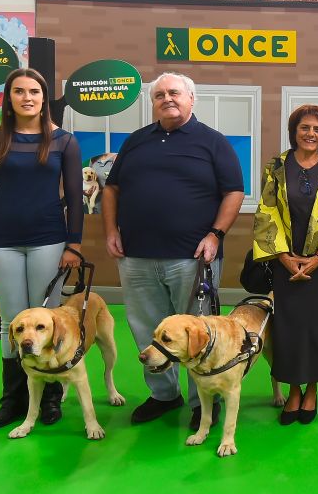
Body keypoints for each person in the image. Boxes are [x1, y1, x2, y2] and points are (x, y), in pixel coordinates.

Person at [102, 71, 245, 429]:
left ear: (191, 98)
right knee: (147, 328)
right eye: (160, 95)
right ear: (153, 103)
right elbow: (111, 189)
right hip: (135, 256)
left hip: (193, 259)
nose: (167, 99)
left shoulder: (213, 142)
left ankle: (203, 399)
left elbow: (234, 192)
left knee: (198, 333)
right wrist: (110, 230)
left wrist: (215, 234)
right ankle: (164, 395)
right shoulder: (136, 142)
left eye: (175, 93)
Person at [0, 68, 83, 430]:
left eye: (34, 91)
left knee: (46, 319)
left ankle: (50, 399)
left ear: (43, 97)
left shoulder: (63, 141)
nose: (27, 97)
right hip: (0, 242)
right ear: (9, 98)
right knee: (11, 323)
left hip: (49, 241)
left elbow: (77, 202)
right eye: (18, 91)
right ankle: (12, 401)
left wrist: (74, 245)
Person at [253, 105, 318, 426]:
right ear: (294, 131)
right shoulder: (276, 167)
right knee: (289, 328)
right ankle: (293, 390)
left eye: (317, 129)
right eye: (304, 128)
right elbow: (266, 213)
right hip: (286, 264)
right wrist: (285, 258)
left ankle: (312, 390)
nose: (310, 134)